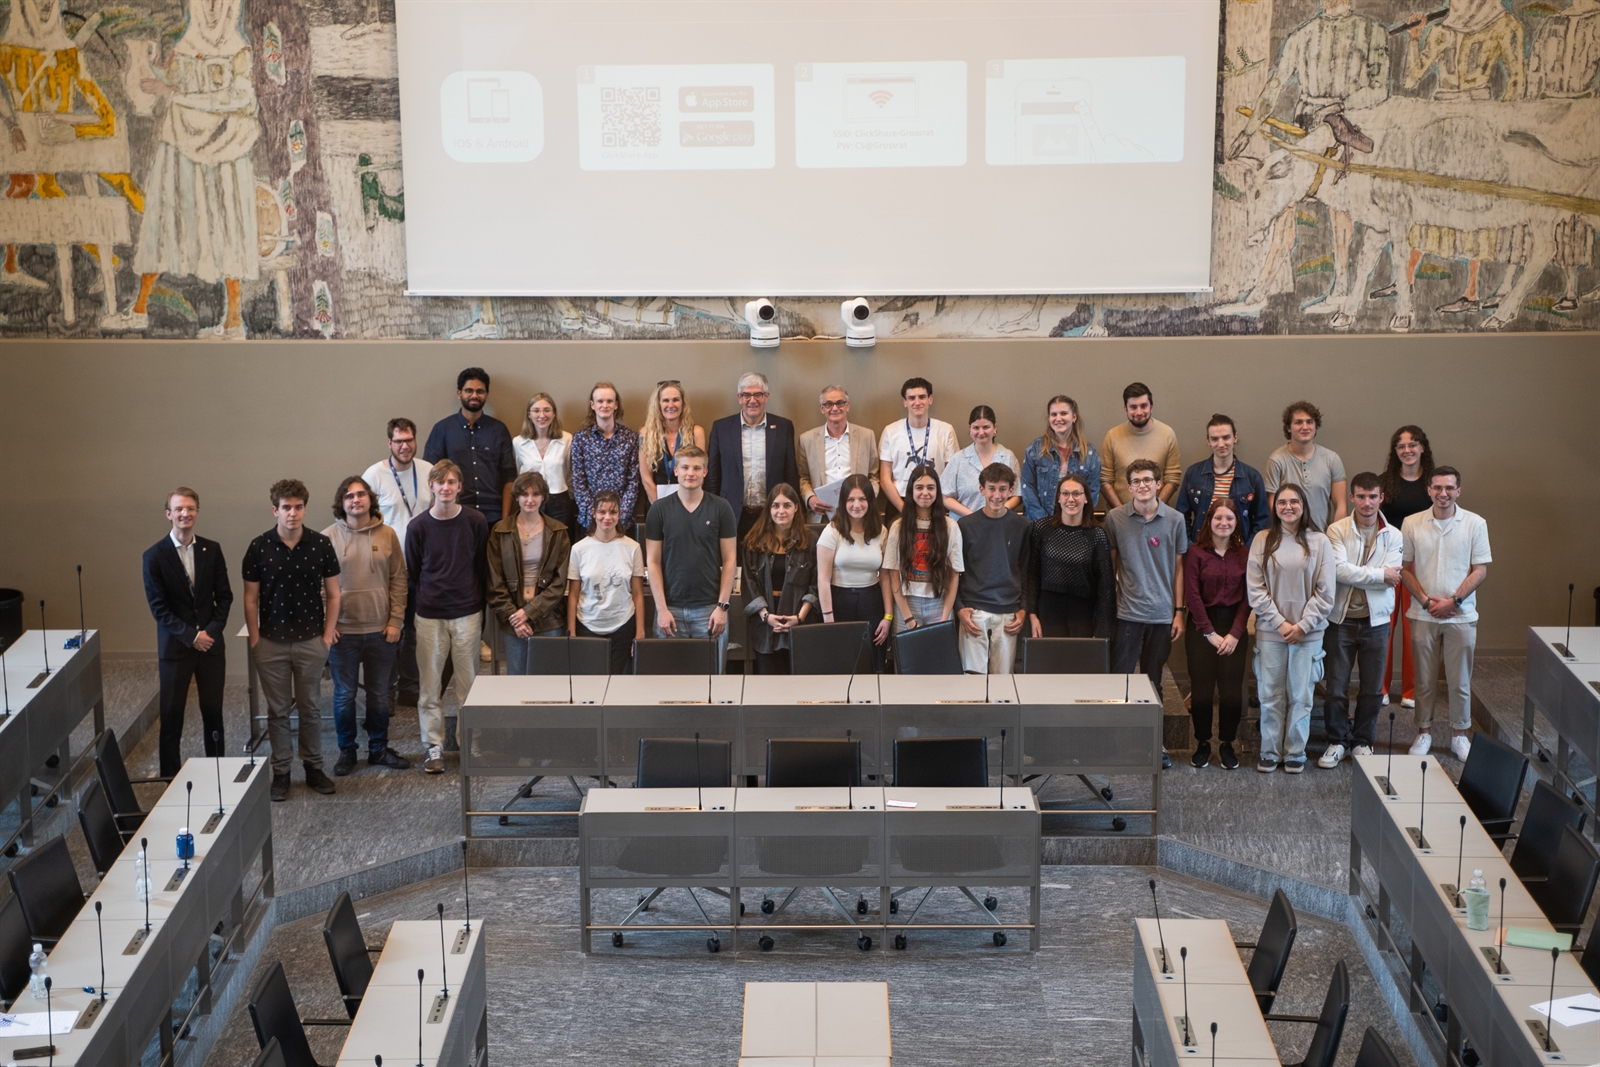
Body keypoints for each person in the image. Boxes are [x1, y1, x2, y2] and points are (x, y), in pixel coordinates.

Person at [102, 0, 259, 337]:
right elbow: (175, 80)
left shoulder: (238, 50)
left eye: (220, 5)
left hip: (227, 145)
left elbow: (241, 99)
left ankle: (233, 320)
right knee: (164, 220)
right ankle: (140, 308)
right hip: (180, 138)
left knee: (226, 223)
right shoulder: (186, 45)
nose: (212, 12)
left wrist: (175, 92)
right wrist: (155, 71)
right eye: (206, 5)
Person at [241, 479, 341, 801]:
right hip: (270, 643)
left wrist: (326, 637)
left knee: (310, 708)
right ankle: (281, 771)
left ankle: (314, 767)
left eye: (298, 507)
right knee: (278, 711)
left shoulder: (321, 544)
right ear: (275, 510)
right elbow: (250, 599)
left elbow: (334, 594)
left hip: (311, 642)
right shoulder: (258, 547)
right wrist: (255, 640)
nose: (293, 513)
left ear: (304, 509)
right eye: (286, 507)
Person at [404, 461, 490, 774]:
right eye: (440, 482)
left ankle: (469, 743)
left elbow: (481, 566)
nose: (446, 487)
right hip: (430, 616)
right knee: (430, 686)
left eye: (452, 482)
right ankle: (433, 746)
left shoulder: (475, 521)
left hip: (467, 612)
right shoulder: (417, 527)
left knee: (469, 686)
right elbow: (415, 571)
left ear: (459, 487)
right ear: (431, 486)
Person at [1401, 467, 1491, 762]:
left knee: (1459, 681)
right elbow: (1404, 569)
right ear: (1429, 490)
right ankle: (1423, 732)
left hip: (1461, 616)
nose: (1443, 493)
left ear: (1458, 491)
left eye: (1449, 488)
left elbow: (1480, 570)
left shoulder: (1475, 523)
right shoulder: (1412, 523)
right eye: (1437, 488)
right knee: (1424, 680)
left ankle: (1459, 735)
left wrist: (1454, 601)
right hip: (1423, 614)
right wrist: (1427, 602)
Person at [322, 477, 410, 776]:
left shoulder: (388, 535)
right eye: (349, 496)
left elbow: (399, 580)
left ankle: (378, 749)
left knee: (380, 694)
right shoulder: (327, 538)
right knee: (344, 695)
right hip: (342, 633)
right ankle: (347, 751)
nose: (355, 499)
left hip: (381, 631)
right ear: (341, 502)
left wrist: (396, 620)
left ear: (370, 499)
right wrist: (327, 625)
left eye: (361, 494)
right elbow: (318, 586)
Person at [1246, 483, 1336, 774]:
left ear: (1303, 505)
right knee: (1270, 695)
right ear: (1274, 508)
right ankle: (1270, 751)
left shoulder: (1320, 541)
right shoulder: (1262, 540)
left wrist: (1302, 626)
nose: (1288, 507)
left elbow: (1326, 593)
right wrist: (1281, 623)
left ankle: (1295, 752)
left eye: (1294, 501)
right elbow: (1255, 590)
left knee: (1301, 696)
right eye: (1282, 502)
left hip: (1308, 635)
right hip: (1270, 633)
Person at [142, 487, 232, 778]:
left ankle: (216, 774)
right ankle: (170, 780)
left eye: (190, 508)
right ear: (169, 514)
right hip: (175, 649)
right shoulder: (154, 556)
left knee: (213, 715)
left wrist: (210, 634)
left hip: (211, 648)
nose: (185, 513)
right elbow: (159, 609)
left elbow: (225, 597)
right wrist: (193, 636)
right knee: (171, 719)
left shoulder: (212, 550)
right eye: (179, 509)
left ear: (197, 512)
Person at [1105, 459, 1187, 769]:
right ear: (1129, 487)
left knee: (1153, 682)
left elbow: (1179, 568)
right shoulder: (1115, 518)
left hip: (1162, 615)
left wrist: (1178, 612)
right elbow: (1111, 565)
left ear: (1158, 484)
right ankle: (1114, 745)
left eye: (1148, 480)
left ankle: (1153, 743)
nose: (1142, 485)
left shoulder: (1175, 520)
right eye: (1136, 481)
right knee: (1120, 681)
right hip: (1127, 613)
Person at [1320, 472, 1404, 768]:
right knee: (1336, 686)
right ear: (1352, 498)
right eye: (1361, 496)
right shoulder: (1336, 530)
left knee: (1372, 688)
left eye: (1373, 497)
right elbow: (1338, 570)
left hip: (1376, 622)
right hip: (1340, 621)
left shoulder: (1394, 535)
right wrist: (1380, 575)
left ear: (1381, 498)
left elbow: (1392, 577)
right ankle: (1337, 741)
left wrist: (1367, 575)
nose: (1367, 502)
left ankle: (1362, 741)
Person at [645, 446, 738, 671]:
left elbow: (730, 560)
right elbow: (653, 562)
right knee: (669, 679)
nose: (690, 473)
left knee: (713, 681)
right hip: (670, 609)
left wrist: (722, 607)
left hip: (710, 610)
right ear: (675, 471)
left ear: (705, 472)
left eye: (697, 468)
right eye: (685, 467)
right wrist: (661, 609)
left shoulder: (721, 508)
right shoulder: (658, 510)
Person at [362, 418, 432, 706]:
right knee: (389, 630)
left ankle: (410, 688)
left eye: (409, 440)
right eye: (399, 441)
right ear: (389, 443)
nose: (405, 446)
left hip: (422, 566)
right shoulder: (374, 475)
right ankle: (386, 690)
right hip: (387, 568)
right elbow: (362, 520)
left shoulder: (428, 470)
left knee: (416, 630)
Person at [1182, 498, 1251, 770]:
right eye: (1218, 518)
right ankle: (1202, 742)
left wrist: (1235, 633)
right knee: (1201, 692)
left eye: (1229, 518)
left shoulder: (1245, 554)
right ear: (1209, 521)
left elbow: (1249, 597)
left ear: (1236, 523)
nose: (1224, 523)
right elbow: (1192, 595)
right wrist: (1209, 632)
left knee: (1231, 693)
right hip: (1202, 626)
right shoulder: (1195, 553)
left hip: (1234, 627)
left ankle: (1226, 744)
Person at [487, 472, 572, 674]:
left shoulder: (558, 531)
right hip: (513, 618)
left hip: (548, 618)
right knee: (517, 680)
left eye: (535, 494)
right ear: (516, 497)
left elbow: (560, 582)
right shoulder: (500, 531)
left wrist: (529, 612)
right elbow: (494, 581)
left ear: (543, 497)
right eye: (524, 494)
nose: (530, 500)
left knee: (547, 682)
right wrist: (515, 616)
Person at [1379, 425, 1435, 710]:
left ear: (1422, 447)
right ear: (1395, 451)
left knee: (1414, 627)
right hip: (1387, 561)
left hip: (1419, 563)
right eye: (1401, 446)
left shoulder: (1433, 484)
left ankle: (1411, 691)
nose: (1407, 450)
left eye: (1413, 444)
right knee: (1383, 626)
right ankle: (1380, 687)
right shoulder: (1384, 482)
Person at [706, 371, 799, 542]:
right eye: (746, 395)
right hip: (733, 514)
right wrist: (711, 513)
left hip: (772, 514)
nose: (752, 400)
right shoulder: (722, 428)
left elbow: (791, 473)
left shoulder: (783, 427)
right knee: (734, 559)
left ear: (766, 397)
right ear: (739, 398)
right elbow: (713, 476)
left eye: (758, 395)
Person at [955, 463, 1031, 674]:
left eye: (1002, 489)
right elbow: (955, 573)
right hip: (973, 613)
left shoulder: (1022, 526)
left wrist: (1023, 609)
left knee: (1003, 681)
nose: (997, 495)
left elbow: (1025, 570)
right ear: (981, 489)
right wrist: (959, 607)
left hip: (1008, 613)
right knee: (972, 680)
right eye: (991, 488)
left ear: (1011, 491)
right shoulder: (965, 525)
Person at [816, 474, 893, 672]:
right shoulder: (831, 531)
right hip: (839, 602)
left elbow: (885, 577)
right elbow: (823, 580)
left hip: (872, 601)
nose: (856, 505)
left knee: (873, 663)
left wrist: (888, 617)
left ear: (870, 501)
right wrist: (828, 618)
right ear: (843, 502)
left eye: (862, 499)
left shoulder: (881, 531)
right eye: (851, 499)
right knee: (843, 665)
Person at [423, 368, 517, 525]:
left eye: (480, 391)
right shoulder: (442, 429)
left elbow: (509, 476)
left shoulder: (499, 430)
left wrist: (505, 520)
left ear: (486, 395)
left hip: (492, 517)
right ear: (459, 393)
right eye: (469, 391)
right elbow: (429, 473)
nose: (474, 395)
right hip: (454, 515)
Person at [1025, 473, 1114, 639]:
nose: (1070, 499)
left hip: (1084, 613)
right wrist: (1033, 614)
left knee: (1079, 657)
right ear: (1058, 498)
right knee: (1050, 656)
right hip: (1048, 611)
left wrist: (1102, 628)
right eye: (1065, 493)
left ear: (1086, 498)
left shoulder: (1097, 535)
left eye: (1076, 494)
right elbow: (1032, 574)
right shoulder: (1042, 529)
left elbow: (1106, 585)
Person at [742, 484, 820, 674]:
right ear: (768, 509)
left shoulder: (811, 541)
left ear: (796, 507)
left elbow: (816, 583)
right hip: (765, 624)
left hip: (801, 620)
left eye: (787, 505)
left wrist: (799, 618)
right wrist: (766, 616)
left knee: (802, 685)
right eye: (775, 505)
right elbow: (749, 582)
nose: (781, 511)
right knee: (770, 686)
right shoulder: (753, 541)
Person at [566, 490, 645, 674]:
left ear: (619, 514)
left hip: (622, 625)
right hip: (587, 625)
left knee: (618, 682)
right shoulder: (578, 549)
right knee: (591, 682)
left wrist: (640, 632)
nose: (607, 517)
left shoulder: (633, 548)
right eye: (602, 512)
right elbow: (573, 595)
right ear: (594, 513)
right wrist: (572, 633)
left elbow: (638, 594)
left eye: (613, 512)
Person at [883, 465, 964, 630]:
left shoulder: (951, 526)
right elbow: (893, 574)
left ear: (937, 491)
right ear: (911, 491)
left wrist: (945, 618)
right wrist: (908, 619)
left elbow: (954, 574)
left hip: (939, 602)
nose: (925, 493)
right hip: (906, 603)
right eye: (919, 487)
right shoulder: (897, 527)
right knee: (906, 648)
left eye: (931, 488)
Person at [1175, 414, 1270, 547]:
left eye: (1226, 437)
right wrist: (1191, 547)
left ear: (1235, 437)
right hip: (1201, 550)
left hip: (1239, 551)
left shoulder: (1252, 477)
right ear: (1208, 440)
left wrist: (1248, 549)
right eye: (1214, 439)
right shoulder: (1194, 473)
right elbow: (1181, 516)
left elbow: (1262, 519)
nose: (1221, 444)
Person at [879, 377, 960, 521]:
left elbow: (952, 475)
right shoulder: (890, 431)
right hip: (900, 501)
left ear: (930, 399)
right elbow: (885, 478)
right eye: (911, 398)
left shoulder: (946, 430)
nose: (917, 402)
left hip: (935, 500)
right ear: (905, 402)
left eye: (922, 397)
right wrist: (905, 510)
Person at [569, 381, 641, 532]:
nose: (605, 405)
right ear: (592, 405)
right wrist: (595, 515)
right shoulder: (580, 439)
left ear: (616, 405)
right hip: (590, 521)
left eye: (609, 401)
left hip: (622, 520)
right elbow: (579, 482)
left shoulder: (631, 438)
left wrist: (620, 515)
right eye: (600, 401)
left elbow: (633, 481)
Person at [798, 385, 878, 520]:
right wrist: (810, 498)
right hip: (823, 514)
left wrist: (866, 499)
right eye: (829, 404)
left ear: (847, 406)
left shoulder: (866, 436)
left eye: (840, 403)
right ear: (822, 408)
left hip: (858, 512)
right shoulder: (807, 439)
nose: (835, 408)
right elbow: (803, 477)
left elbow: (874, 475)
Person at [1265, 401, 1347, 531]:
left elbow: (1341, 506)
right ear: (1289, 428)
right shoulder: (1276, 460)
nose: (1305, 427)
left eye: (1309, 422)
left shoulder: (1332, 459)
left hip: (1323, 536)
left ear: (1315, 426)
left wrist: (1336, 537)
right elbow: (1273, 506)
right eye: (1298, 422)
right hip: (1287, 537)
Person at [1100, 383, 1181, 507]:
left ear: (1151, 407)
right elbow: (1105, 480)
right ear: (1125, 409)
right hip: (1120, 514)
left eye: (1143, 406)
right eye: (1133, 407)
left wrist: (1155, 509)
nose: (1139, 412)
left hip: (1158, 514)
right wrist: (1122, 513)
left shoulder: (1167, 434)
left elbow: (1172, 478)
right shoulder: (1112, 436)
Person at [1021, 395, 1101, 520]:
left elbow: (1092, 494)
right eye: (1054, 414)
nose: (1058, 419)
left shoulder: (1090, 454)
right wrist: (1043, 522)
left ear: (1074, 417)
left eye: (1063, 413)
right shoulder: (1035, 449)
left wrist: (1073, 522)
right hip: (1038, 523)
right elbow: (1028, 488)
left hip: (1076, 524)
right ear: (1049, 418)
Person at [638, 380, 707, 508]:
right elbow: (646, 479)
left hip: (689, 505)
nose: (671, 405)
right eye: (666, 400)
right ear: (658, 404)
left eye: (675, 400)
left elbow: (699, 475)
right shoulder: (646, 434)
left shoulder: (696, 433)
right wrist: (660, 509)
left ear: (683, 404)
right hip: (656, 505)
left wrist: (684, 508)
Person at [942, 406, 1023, 516]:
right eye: (976, 427)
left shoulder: (1008, 457)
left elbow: (1017, 495)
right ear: (970, 428)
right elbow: (945, 496)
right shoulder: (958, 459)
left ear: (994, 428)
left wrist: (996, 513)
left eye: (986, 427)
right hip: (964, 523)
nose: (981, 432)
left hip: (999, 522)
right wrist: (974, 517)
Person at [512, 393, 575, 532]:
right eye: (536, 410)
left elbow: (570, 474)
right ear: (529, 414)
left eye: (547, 410)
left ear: (554, 413)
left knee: (562, 540)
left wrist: (569, 497)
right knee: (532, 539)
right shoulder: (518, 442)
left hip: (560, 501)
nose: (542, 415)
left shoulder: (567, 439)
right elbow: (518, 474)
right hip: (530, 500)